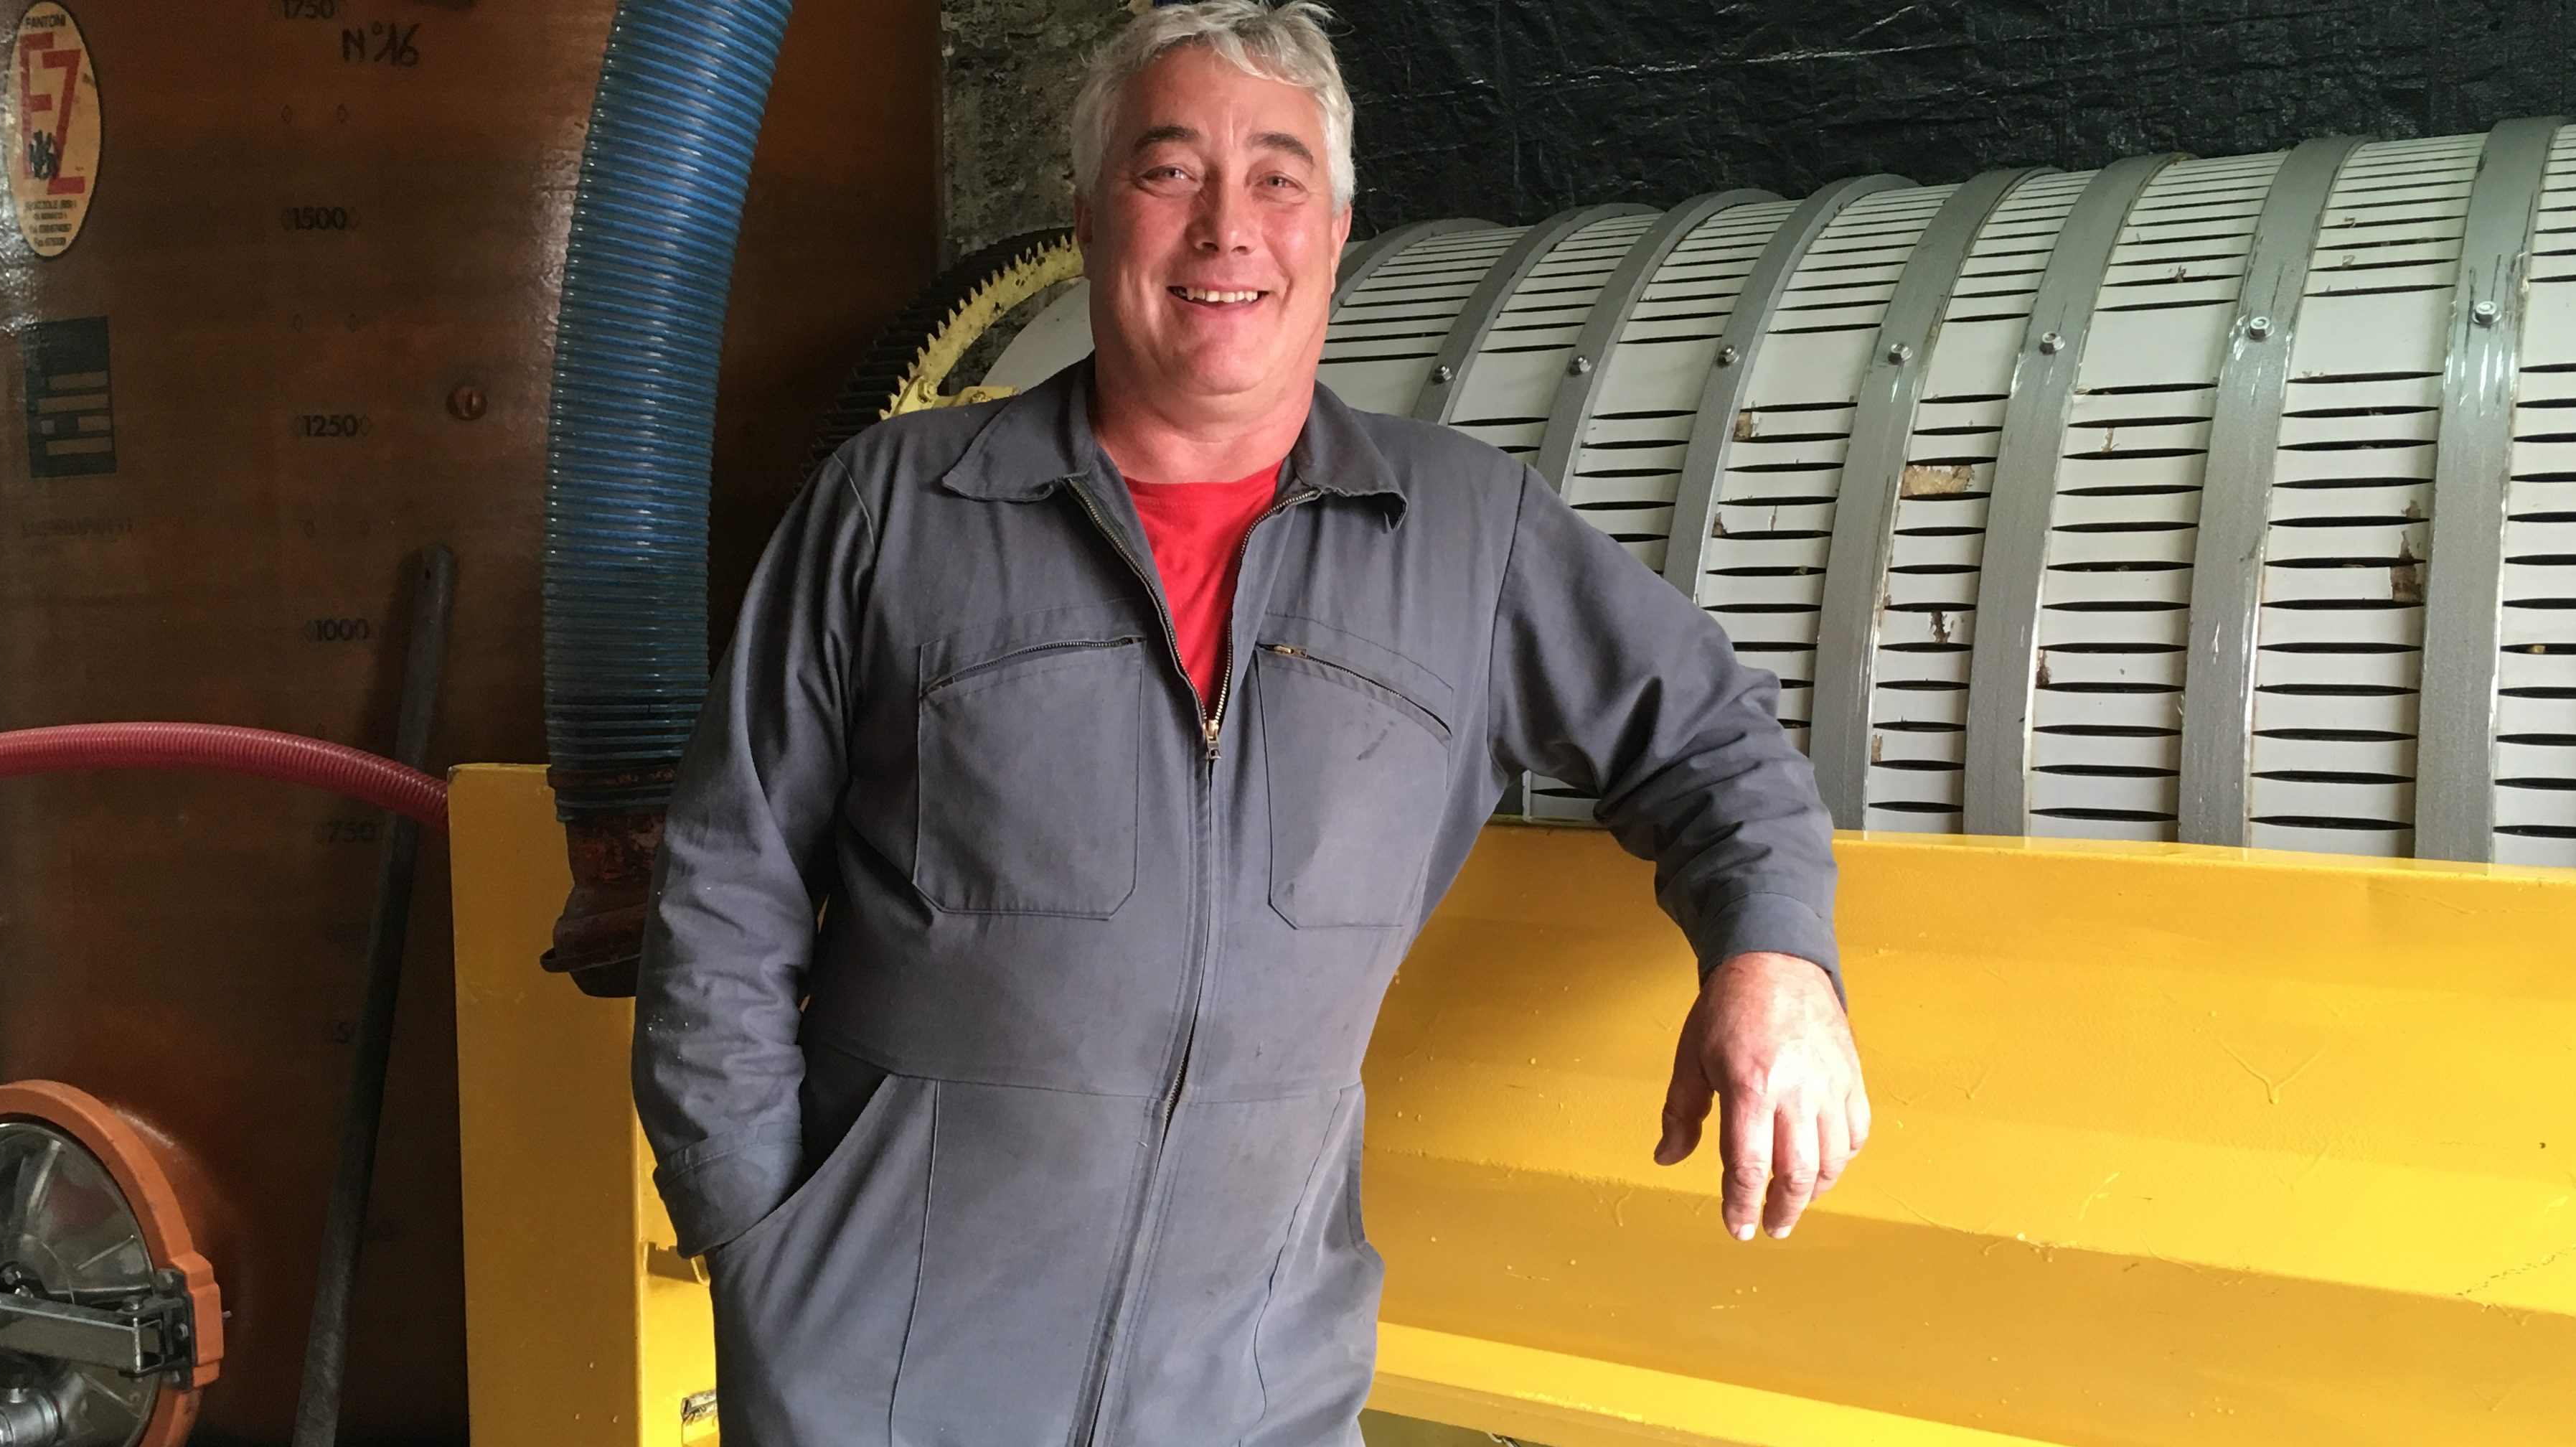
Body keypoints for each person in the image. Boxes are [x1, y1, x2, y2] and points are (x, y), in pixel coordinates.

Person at [633, 3, 1866, 1442]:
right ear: (1089, 218)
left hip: (1256, 1389)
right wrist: (756, 1240)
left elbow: (1712, 739)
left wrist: (1777, 960)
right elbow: (726, 885)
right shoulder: (897, 505)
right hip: (877, 1377)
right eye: (1170, 171)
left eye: (1279, 178)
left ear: (1334, 233)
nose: (1227, 226)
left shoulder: (1465, 538)